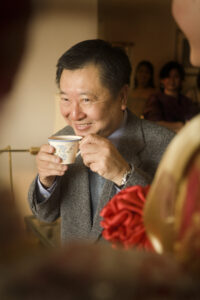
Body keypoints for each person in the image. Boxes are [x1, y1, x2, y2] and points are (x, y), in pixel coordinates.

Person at [28, 39, 174, 244]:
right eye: (65, 99)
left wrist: (123, 175)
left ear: (122, 97)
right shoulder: (65, 137)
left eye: (86, 99)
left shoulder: (169, 145)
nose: (74, 114)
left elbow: (176, 227)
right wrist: (45, 182)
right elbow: (46, 215)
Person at [143, 61, 199, 133]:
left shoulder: (186, 101)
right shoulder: (155, 99)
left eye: (176, 77)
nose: (172, 80)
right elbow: (154, 122)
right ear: (162, 80)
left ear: (181, 80)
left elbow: (194, 121)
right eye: (168, 77)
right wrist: (179, 125)